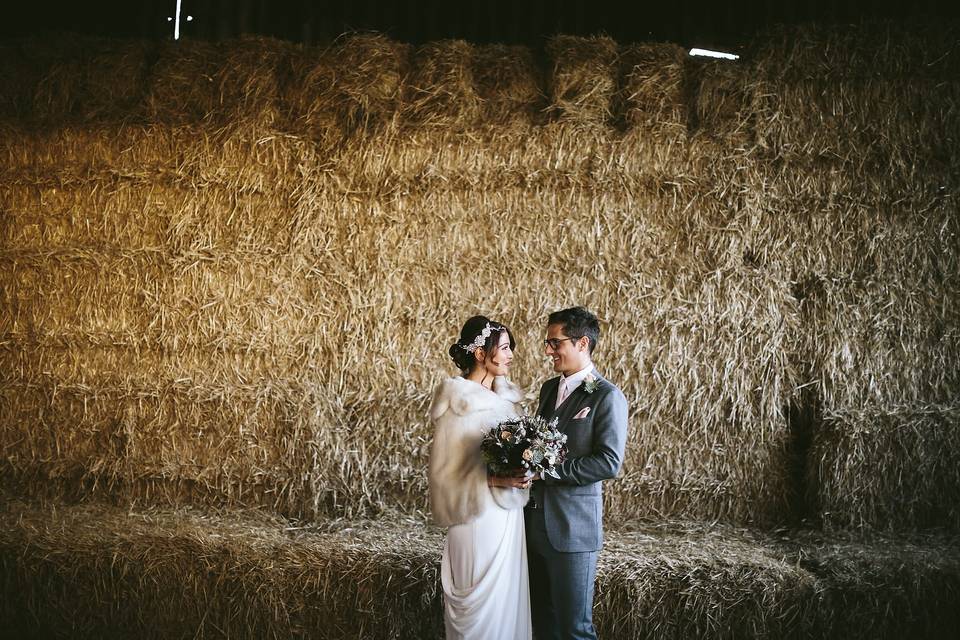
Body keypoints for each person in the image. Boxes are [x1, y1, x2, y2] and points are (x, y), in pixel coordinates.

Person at [525, 306, 629, 640]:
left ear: (582, 343)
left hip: (572, 532)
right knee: (542, 623)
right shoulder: (546, 390)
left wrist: (547, 472)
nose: (548, 350)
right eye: (547, 342)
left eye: (555, 343)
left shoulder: (606, 396)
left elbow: (608, 462)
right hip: (533, 526)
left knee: (576, 629)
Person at [428, 315, 532, 640]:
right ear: (480, 352)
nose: (511, 354)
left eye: (510, 347)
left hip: (508, 518)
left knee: (507, 608)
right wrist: (495, 481)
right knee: (480, 621)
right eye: (503, 348)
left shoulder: (506, 403)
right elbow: (443, 476)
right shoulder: (459, 401)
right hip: (475, 519)